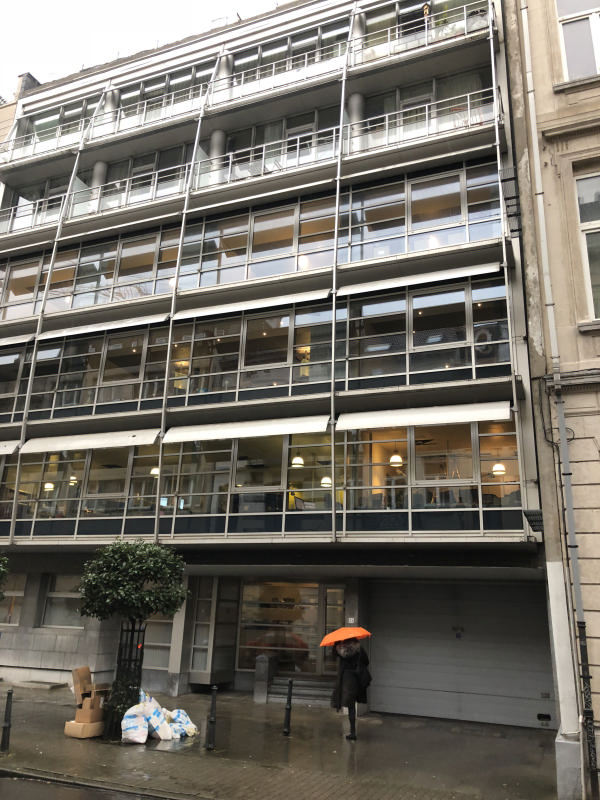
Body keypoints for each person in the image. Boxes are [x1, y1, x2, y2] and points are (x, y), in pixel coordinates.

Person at [331, 637, 370, 740]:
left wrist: (336, 643)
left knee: (350, 705)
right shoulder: (359, 649)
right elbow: (366, 661)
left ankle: (352, 732)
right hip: (357, 679)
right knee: (352, 705)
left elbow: (333, 655)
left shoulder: (340, 649)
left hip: (346, 680)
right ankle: (353, 732)